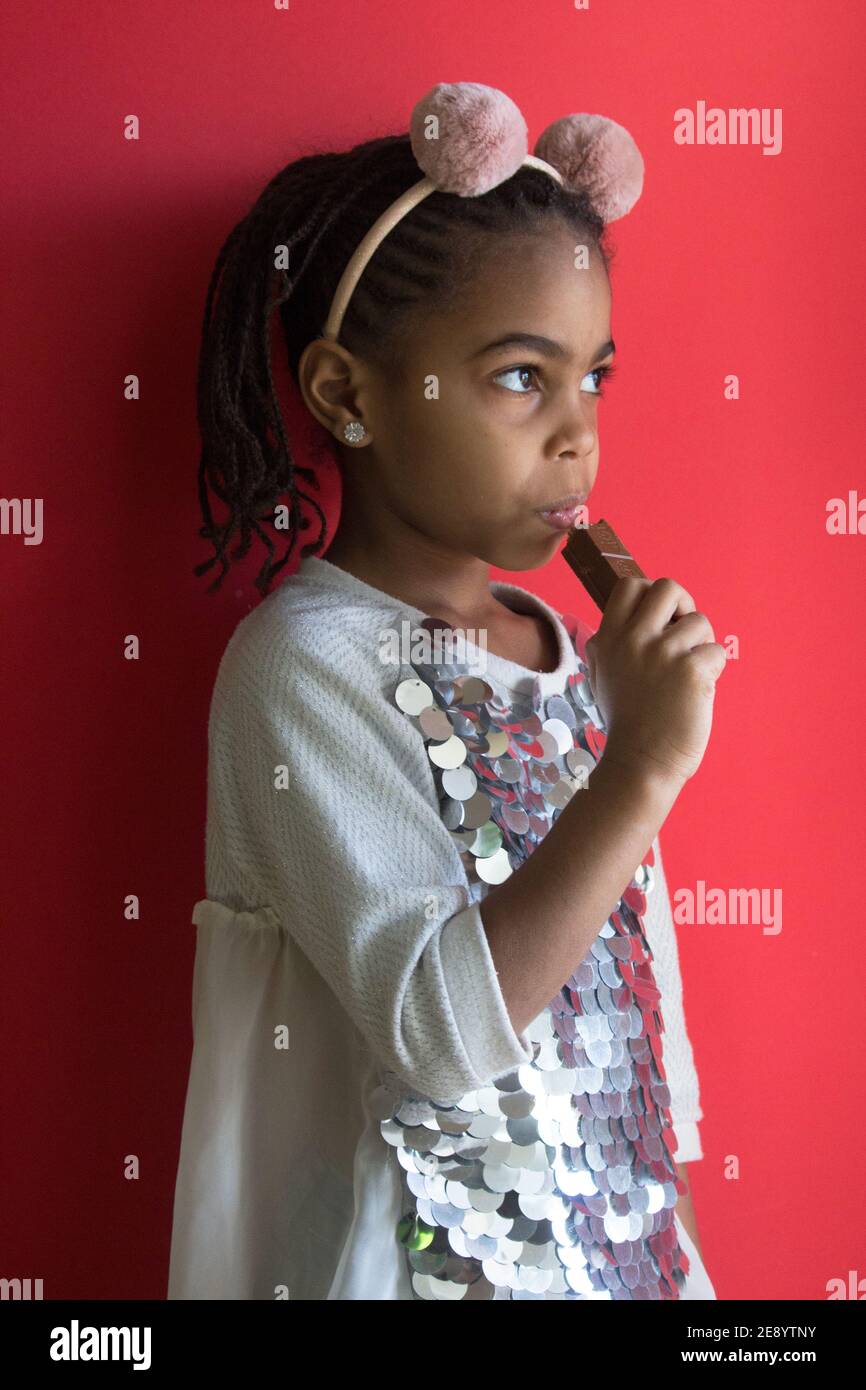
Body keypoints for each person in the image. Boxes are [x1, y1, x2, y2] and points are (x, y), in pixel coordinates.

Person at [167, 82, 728, 1301]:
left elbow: (617, 1020)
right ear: (348, 394)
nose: (575, 432)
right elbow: (437, 1036)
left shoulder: (569, 655)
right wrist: (637, 772)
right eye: (521, 377)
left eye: (594, 377)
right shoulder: (304, 666)